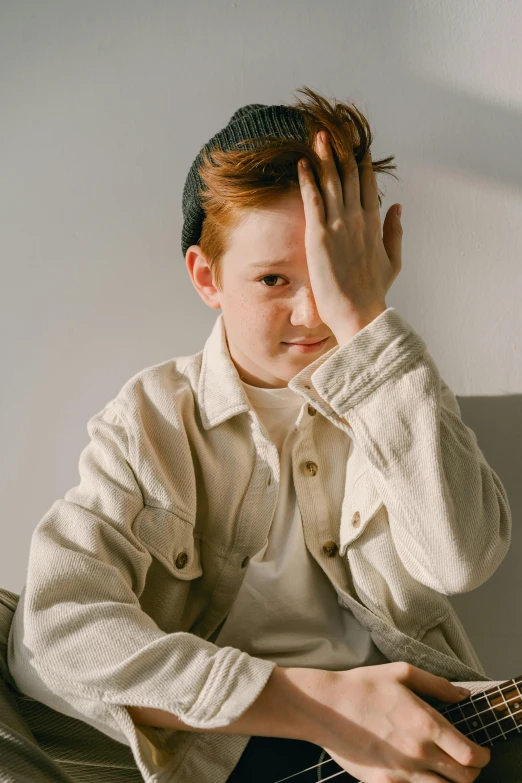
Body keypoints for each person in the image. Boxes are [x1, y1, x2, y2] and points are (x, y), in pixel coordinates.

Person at [4, 87, 522, 783]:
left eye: (333, 275)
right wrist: (319, 704)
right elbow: (59, 635)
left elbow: (460, 559)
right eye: (275, 278)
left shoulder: (397, 401)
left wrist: (368, 322)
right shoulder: (152, 419)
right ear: (206, 277)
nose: (312, 311)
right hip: (229, 752)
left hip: (413, 739)